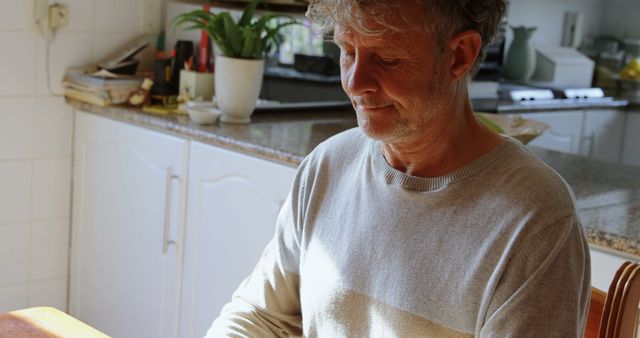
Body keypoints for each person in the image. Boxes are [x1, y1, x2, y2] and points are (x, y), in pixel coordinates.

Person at [207, 0, 591, 336]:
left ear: (459, 55)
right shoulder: (327, 166)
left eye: (387, 58)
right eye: (347, 51)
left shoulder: (535, 220)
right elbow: (260, 317)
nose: (356, 83)